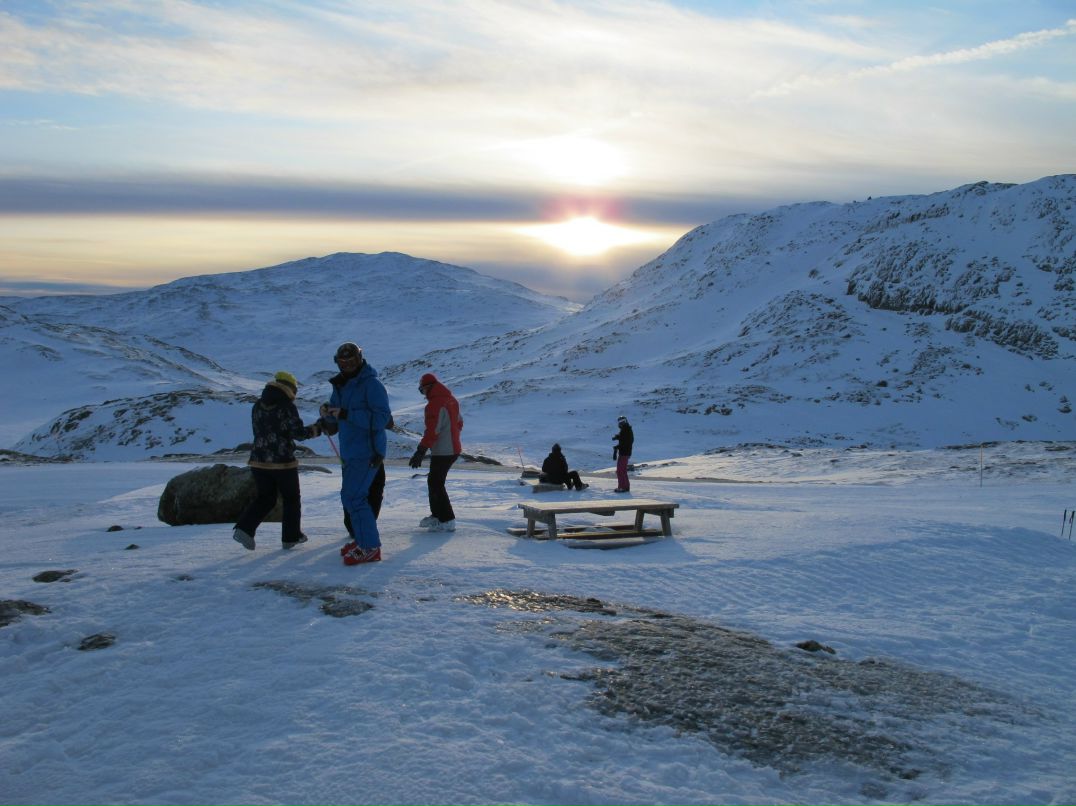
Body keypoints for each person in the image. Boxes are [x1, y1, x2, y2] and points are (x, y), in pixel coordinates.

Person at [319, 342, 392, 565]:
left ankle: (370, 547)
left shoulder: (372, 385)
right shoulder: (341, 386)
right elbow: (336, 420)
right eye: (343, 362)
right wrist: (327, 414)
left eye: (352, 361)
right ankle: (362, 541)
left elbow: (382, 419)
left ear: (360, 360)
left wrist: (346, 413)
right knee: (350, 497)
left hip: (368, 451)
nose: (348, 366)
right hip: (350, 451)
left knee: (354, 497)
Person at [233, 371, 322, 551]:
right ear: (290, 388)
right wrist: (317, 429)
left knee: (265, 498)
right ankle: (291, 536)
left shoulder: (258, 405)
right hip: (282, 462)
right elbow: (297, 433)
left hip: (258, 460)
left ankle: (244, 528)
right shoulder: (286, 406)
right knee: (291, 499)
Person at [408, 372, 463, 531]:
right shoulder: (451, 400)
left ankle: (446, 520)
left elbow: (432, 431)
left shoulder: (434, 404)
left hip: (443, 451)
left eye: (422, 390)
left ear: (429, 387)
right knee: (434, 481)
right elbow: (459, 422)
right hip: (451, 448)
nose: (423, 394)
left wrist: (420, 451)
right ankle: (437, 516)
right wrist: (452, 436)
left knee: (436, 483)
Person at [612, 414, 634, 493]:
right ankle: (625, 487)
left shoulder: (626, 430)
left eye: (622, 422)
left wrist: (617, 447)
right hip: (625, 453)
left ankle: (622, 487)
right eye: (620, 422)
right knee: (623, 470)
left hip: (624, 453)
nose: (621, 423)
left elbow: (625, 442)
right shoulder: (626, 429)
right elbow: (623, 437)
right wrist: (617, 437)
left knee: (620, 471)